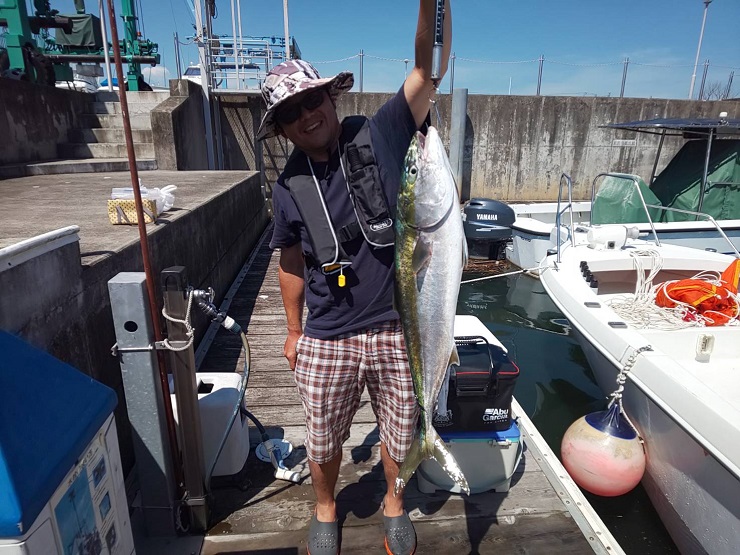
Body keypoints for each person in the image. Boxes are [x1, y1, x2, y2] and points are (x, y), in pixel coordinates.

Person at [257, 2, 451, 554]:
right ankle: (325, 507)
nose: (306, 115)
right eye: (291, 112)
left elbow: (426, 71)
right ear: (283, 129)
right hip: (327, 331)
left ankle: (393, 500)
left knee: (400, 428)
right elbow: (290, 262)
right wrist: (293, 330)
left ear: (330, 98)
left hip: (396, 322)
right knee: (321, 438)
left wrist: (433, 7)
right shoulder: (288, 188)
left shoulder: (380, 134)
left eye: (311, 100)